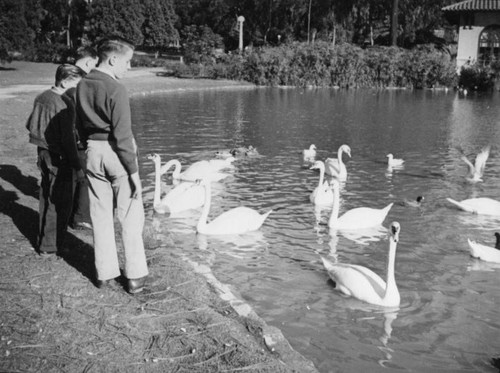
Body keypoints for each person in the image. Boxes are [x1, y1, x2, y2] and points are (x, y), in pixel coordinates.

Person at [75, 36, 149, 294]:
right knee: (130, 214)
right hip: (117, 153)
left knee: (100, 214)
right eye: (128, 62)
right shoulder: (116, 89)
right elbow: (123, 136)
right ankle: (135, 275)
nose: (128, 67)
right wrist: (134, 173)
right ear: (113, 58)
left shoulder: (82, 83)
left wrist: (88, 150)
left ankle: (104, 274)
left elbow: (79, 124)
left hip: (93, 151)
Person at [26, 64, 86, 256]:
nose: (79, 88)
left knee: (46, 197)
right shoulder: (64, 103)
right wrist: (77, 166)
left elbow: (30, 124)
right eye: (77, 83)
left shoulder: (42, 96)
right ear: (65, 81)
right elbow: (68, 141)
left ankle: (45, 240)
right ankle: (52, 246)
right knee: (60, 202)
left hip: (42, 152)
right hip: (59, 157)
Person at [68, 46, 98, 230]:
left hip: (69, 137)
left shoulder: (67, 76)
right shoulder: (80, 83)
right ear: (88, 62)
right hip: (77, 138)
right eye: (94, 64)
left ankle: (72, 212)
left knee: (73, 176)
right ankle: (81, 217)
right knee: (85, 176)